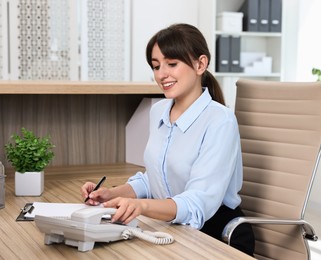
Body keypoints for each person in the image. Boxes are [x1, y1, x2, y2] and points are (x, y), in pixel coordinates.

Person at [81, 23, 255, 256]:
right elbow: (154, 179)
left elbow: (196, 204)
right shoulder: (159, 111)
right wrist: (112, 194)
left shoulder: (220, 121)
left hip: (216, 236)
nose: (161, 74)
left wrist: (141, 206)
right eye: (156, 66)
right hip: (173, 229)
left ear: (200, 64)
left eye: (172, 64)